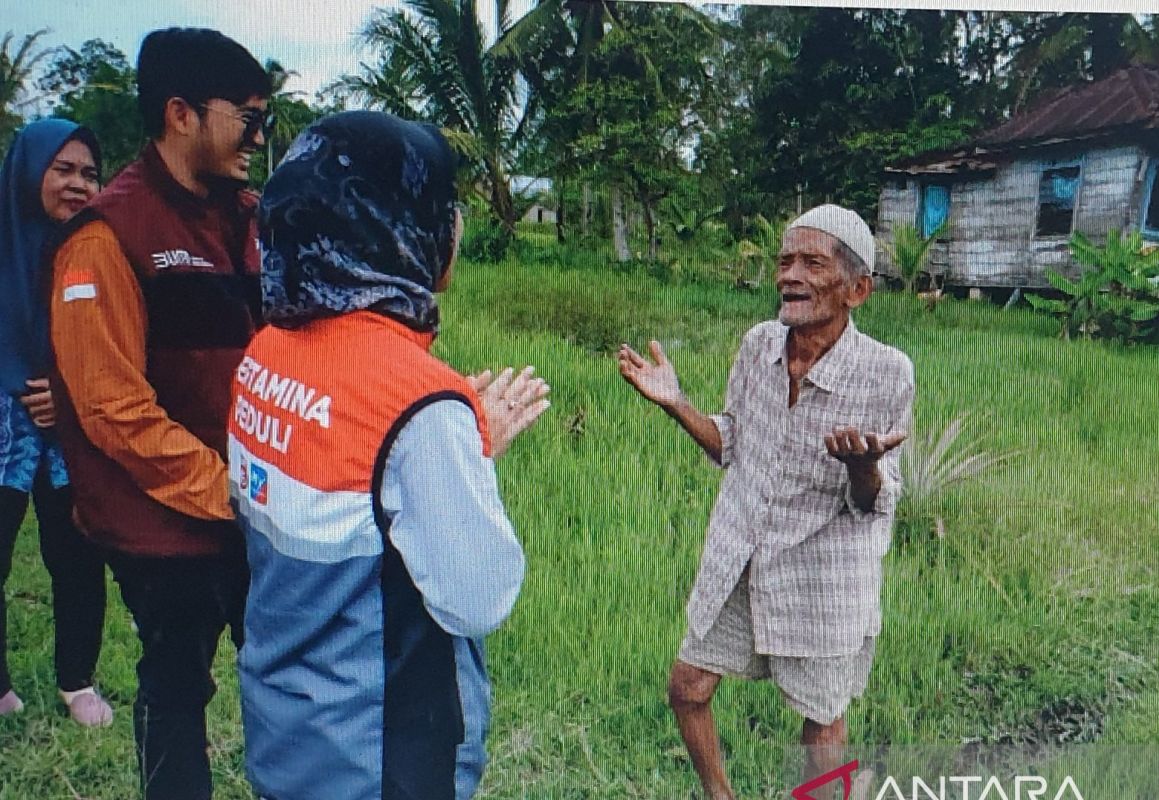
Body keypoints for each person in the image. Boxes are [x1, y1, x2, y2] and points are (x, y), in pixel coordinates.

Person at [228, 111, 548, 800]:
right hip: (379, 756)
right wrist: (469, 445)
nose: (456, 228)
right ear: (400, 226)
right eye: (447, 208)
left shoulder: (267, 352)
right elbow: (478, 597)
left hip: (287, 729)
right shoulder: (420, 401)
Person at [618, 204, 914, 800]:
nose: (789, 275)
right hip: (743, 557)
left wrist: (864, 469)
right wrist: (677, 403)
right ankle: (719, 795)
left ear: (858, 289)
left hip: (822, 577)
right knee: (688, 687)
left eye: (811, 262)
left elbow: (876, 502)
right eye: (784, 261)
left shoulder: (886, 372)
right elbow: (731, 439)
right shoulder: (758, 346)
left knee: (822, 723)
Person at [46, 28, 270, 800]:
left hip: (250, 505)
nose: (259, 137)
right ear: (182, 114)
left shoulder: (244, 217)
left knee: (284, 673)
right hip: (164, 522)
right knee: (175, 687)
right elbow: (111, 408)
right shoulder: (107, 238)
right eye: (247, 118)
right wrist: (229, 490)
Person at [0, 118, 112, 727]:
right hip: (1, 423)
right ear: (28, 170)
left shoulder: (95, 249)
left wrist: (64, 394)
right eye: (63, 169)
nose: (78, 185)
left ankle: (77, 681)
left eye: (90, 174)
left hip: (69, 429)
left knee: (76, 553)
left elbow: (116, 342)